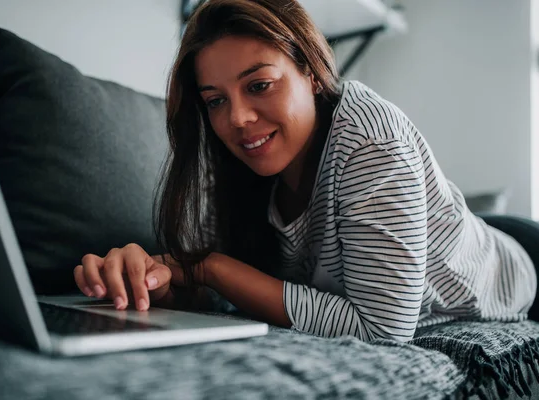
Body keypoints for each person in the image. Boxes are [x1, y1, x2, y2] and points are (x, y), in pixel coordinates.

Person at [73, 0, 537, 341]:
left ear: (312, 74)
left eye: (259, 85)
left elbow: (382, 330)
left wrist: (211, 268)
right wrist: (153, 280)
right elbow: (225, 295)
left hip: (509, 267)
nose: (236, 119)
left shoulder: (369, 136)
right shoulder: (237, 164)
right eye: (216, 100)